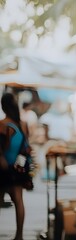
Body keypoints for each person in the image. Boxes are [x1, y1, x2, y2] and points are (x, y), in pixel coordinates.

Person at [0, 93, 32, 240]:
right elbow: (26, 144)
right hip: (19, 168)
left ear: (3, 106)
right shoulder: (23, 124)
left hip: (4, 168)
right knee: (19, 201)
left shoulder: (3, 124)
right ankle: (19, 235)